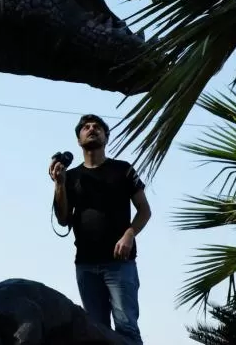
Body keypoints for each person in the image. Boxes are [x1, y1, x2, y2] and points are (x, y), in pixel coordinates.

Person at [48, 113, 152, 345]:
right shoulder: (71, 176)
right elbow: (63, 219)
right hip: (85, 264)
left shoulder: (123, 169)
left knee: (126, 328)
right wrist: (59, 184)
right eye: (86, 127)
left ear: (106, 137)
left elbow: (145, 210)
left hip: (119, 264)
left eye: (97, 127)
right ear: (78, 140)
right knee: (95, 332)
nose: (92, 129)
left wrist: (129, 234)